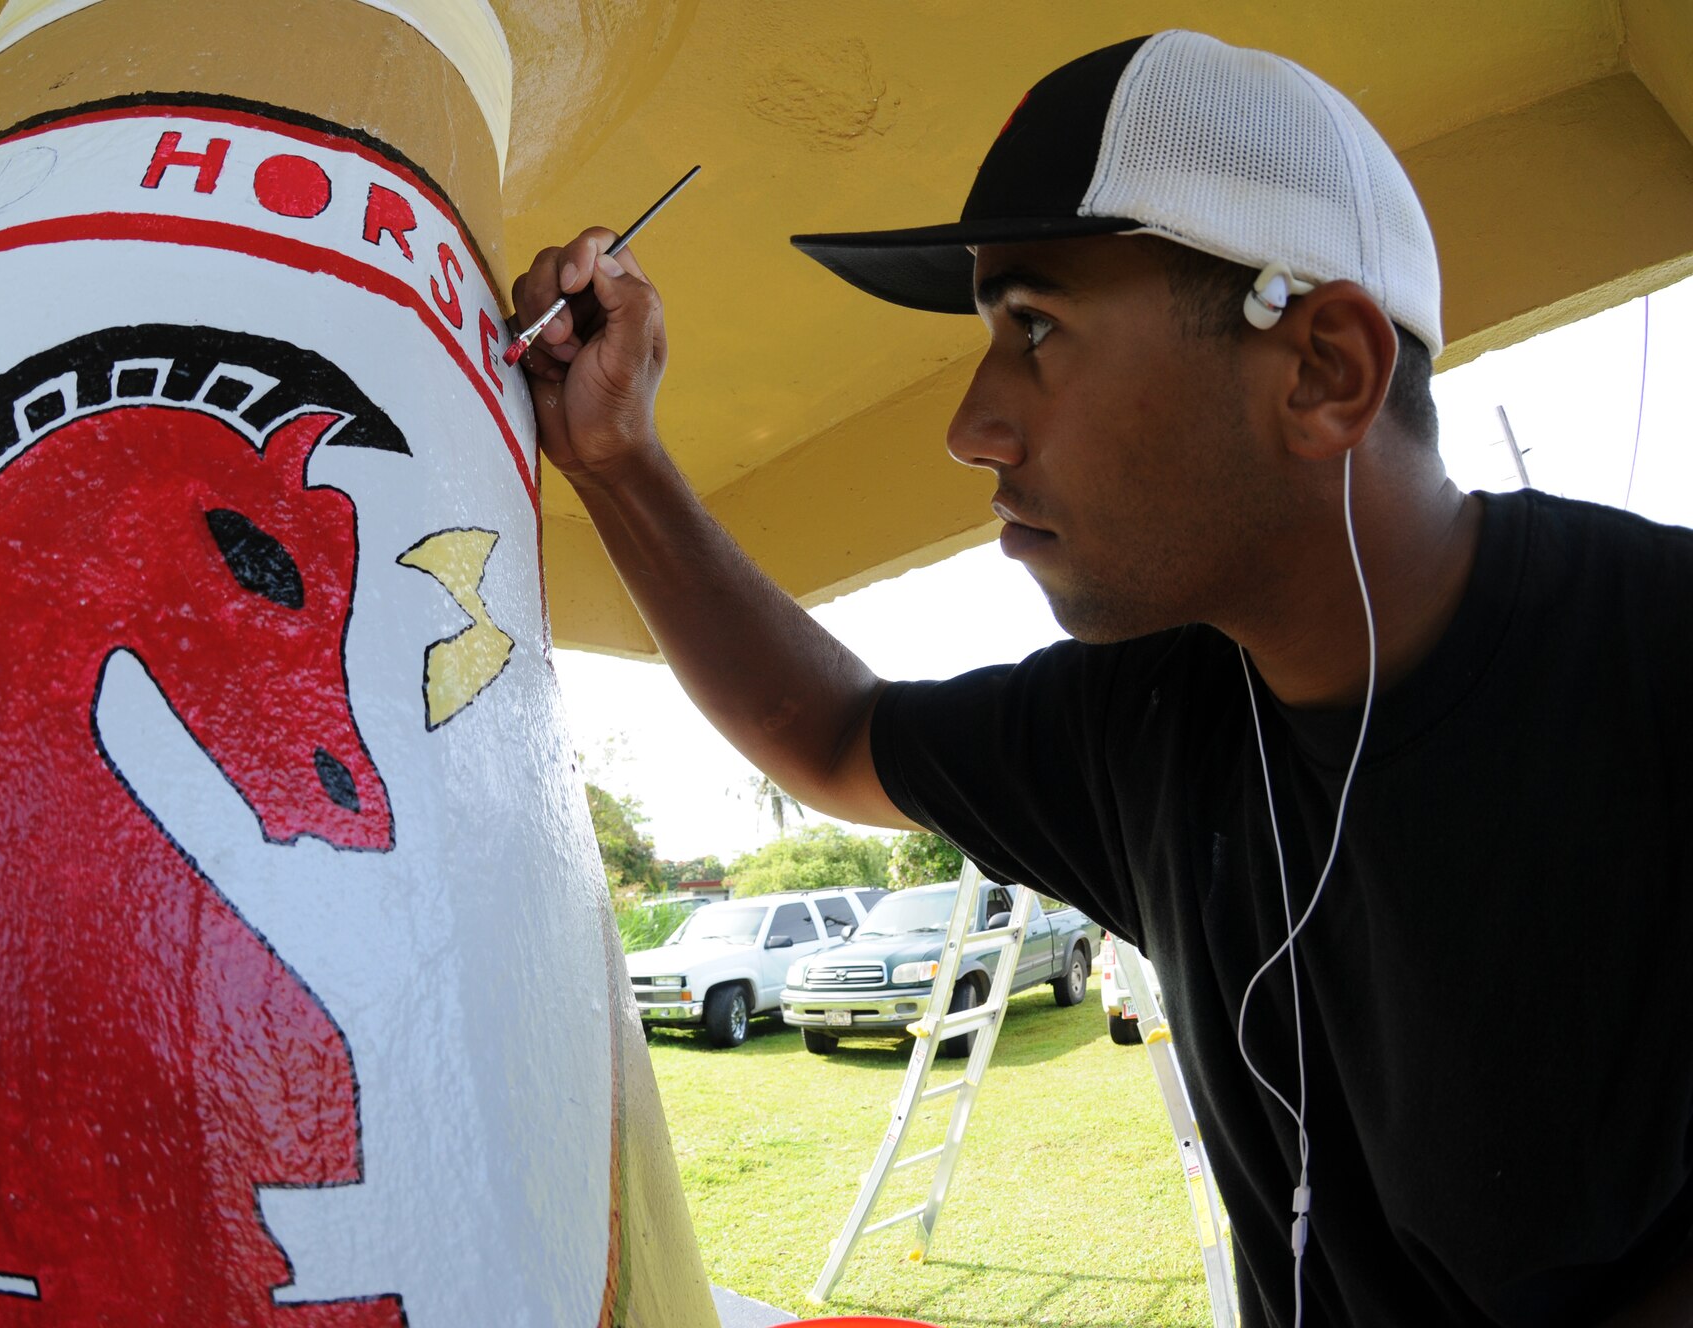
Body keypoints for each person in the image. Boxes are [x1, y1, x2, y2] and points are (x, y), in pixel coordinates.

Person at [510, 29, 1693, 1328]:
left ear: (1324, 368)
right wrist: (618, 460)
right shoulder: (1150, 716)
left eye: (1035, 326)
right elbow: (837, 737)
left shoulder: (1654, 669)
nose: (971, 427)